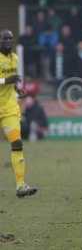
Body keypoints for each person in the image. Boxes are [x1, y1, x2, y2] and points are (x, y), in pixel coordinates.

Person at [0, 29, 38, 197]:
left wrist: (17, 88)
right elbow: (5, 79)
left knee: (17, 143)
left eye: (10, 38)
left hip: (9, 108)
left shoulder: (15, 58)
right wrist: (5, 80)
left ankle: (21, 186)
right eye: (4, 39)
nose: (8, 41)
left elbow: (12, 81)